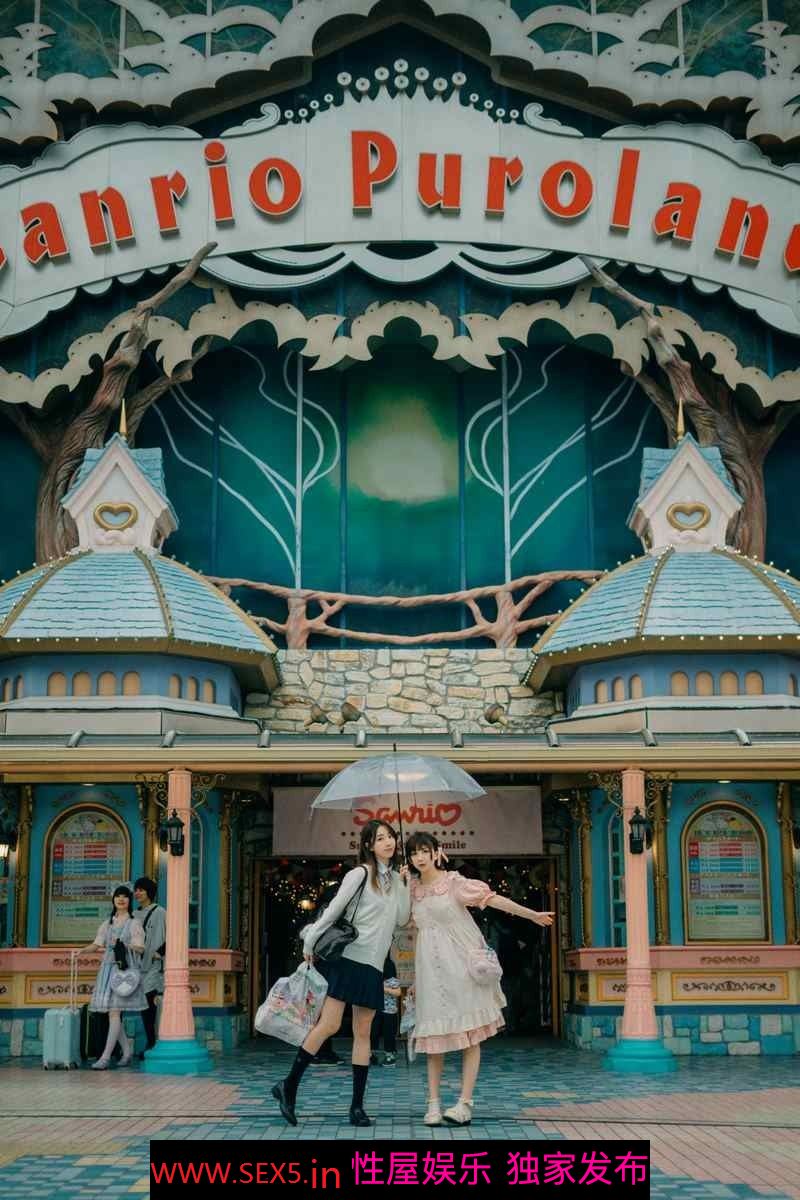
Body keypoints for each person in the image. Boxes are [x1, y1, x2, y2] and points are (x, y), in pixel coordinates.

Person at [406, 832, 554, 1127]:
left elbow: (493, 900)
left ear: (436, 852)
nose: (419, 857)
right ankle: (433, 1104)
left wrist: (531, 914)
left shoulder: (454, 883)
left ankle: (464, 1104)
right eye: (413, 853)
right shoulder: (410, 889)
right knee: (434, 1041)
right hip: (430, 975)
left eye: (424, 851)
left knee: (470, 1037)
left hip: (461, 970)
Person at [271, 820, 410, 1127]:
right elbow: (334, 910)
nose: (388, 842)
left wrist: (405, 884)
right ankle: (288, 1086)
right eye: (380, 838)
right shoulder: (360, 873)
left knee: (363, 1033)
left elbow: (402, 919)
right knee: (329, 1024)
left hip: (374, 965)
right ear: (369, 845)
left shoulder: (395, 881)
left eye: (390, 837)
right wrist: (310, 941)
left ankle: (356, 1107)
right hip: (348, 959)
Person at [75, 883, 147, 1069]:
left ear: (129, 900)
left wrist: (125, 945)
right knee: (112, 1013)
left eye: (125, 896)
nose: (121, 899)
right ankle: (127, 1052)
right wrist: (82, 951)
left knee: (114, 1012)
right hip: (107, 970)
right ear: (113, 900)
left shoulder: (134, 923)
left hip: (124, 972)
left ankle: (105, 1057)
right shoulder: (107, 923)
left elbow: (141, 948)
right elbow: (97, 944)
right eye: (118, 896)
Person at [133, 877, 166, 1053]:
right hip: (137, 966)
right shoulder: (134, 914)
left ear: (149, 892)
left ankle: (152, 1042)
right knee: (144, 1004)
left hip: (154, 966)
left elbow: (172, 935)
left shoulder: (160, 912)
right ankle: (151, 1041)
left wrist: (159, 952)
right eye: (136, 890)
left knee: (149, 1002)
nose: (137, 893)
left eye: (141, 890)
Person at [370, 956, 401, 1065]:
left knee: (389, 1033)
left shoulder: (391, 979)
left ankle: (389, 1055)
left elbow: (398, 992)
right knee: (373, 1032)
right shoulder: (372, 977)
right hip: (375, 1008)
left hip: (389, 1010)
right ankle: (370, 1054)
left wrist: (384, 988)